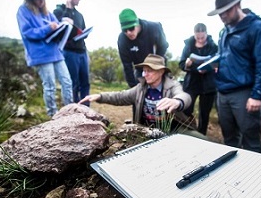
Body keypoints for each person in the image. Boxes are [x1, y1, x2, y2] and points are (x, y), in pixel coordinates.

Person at [207, 0, 261, 153]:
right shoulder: (224, 31)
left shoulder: (258, 29)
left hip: (244, 93)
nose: (222, 16)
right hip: (223, 92)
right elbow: (225, 56)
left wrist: (257, 94)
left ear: (238, 5)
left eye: (226, 11)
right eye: (219, 13)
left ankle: (254, 176)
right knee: (229, 139)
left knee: (251, 140)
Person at [78, 54, 208, 140]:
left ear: (161, 71)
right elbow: (119, 96)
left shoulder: (172, 85)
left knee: (203, 140)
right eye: (144, 70)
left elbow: (185, 96)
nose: (145, 74)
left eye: (149, 70)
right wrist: (99, 96)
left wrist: (177, 101)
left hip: (173, 129)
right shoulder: (140, 89)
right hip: (147, 131)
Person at [16, 0, 73, 117]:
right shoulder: (23, 11)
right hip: (40, 54)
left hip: (55, 52)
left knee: (67, 82)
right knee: (50, 86)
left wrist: (64, 26)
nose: (42, 0)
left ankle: (70, 113)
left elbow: (57, 26)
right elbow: (28, 33)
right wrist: (48, 28)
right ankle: (52, 115)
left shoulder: (47, 13)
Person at [178, 23, 218, 135]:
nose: (200, 40)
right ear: (194, 35)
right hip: (192, 83)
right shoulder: (188, 46)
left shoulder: (213, 46)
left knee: (204, 114)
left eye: (202, 37)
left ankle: (201, 135)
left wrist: (208, 68)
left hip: (208, 85)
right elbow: (181, 64)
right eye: (198, 37)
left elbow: (216, 63)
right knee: (187, 110)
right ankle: (187, 132)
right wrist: (188, 65)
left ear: (206, 33)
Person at [53, 0, 90, 106]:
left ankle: (86, 109)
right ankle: (73, 109)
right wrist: (68, 10)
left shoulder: (80, 15)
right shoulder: (59, 11)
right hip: (69, 52)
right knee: (72, 83)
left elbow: (83, 30)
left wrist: (83, 34)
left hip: (82, 51)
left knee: (85, 82)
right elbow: (60, 30)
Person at [117, 8, 169, 88]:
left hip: (158, 65)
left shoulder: (154, 28)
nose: (128, 33)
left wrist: (155, 66)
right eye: (125, 30)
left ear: (137, 24)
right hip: (140, 68)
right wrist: (133, 87)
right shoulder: (122, 39)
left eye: (131, 28)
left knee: (163, 90)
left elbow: (163, 46)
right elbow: (127, 66)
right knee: (139, 93)